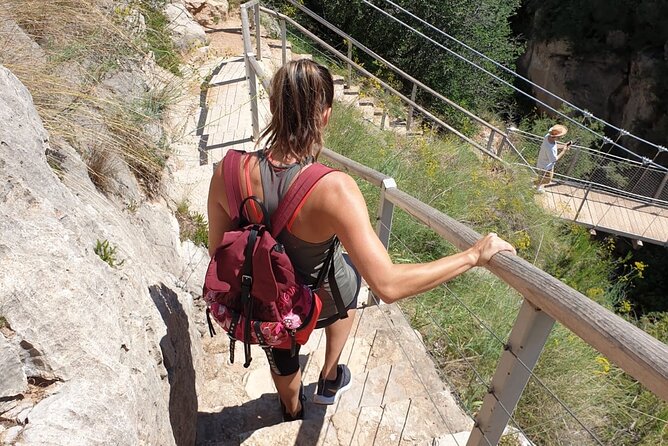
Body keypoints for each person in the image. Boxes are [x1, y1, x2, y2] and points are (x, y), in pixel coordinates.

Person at [207, 59, 515, 422]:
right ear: (324, 116)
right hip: (315, 293)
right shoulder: (334, 188)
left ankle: (291, 409)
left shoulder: (226, 170)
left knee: (281, 349)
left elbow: (218, 253)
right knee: (348, 278)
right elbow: (387, 284)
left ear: (273, 105)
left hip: (263, 300)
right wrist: (473, 256)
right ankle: (329, 375)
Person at [535, 124, 572, 192]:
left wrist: (563, 146)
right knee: (547, 180)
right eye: (560, 136)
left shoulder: (547, 137)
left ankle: (537, 188)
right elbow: (554, 159)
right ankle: (532, 184)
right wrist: (564, 151)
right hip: (546, 166)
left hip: (542, 162)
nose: (561, 137)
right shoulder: (550, 148)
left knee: (541, 178)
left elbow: (554, 146)